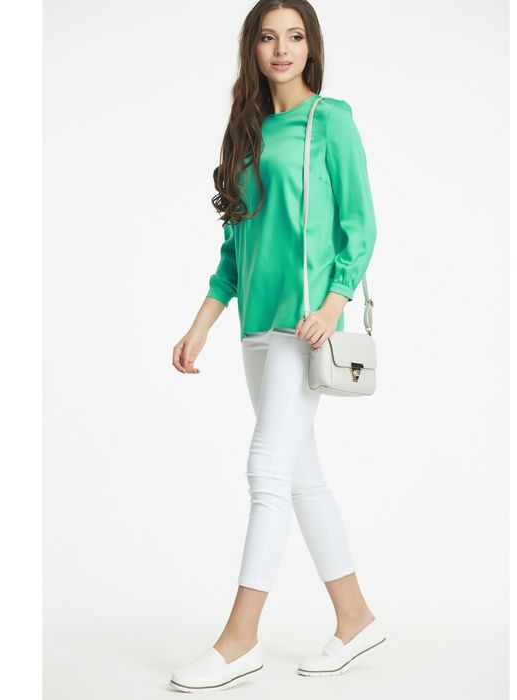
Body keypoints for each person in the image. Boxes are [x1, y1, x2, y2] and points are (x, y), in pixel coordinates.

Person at [170, 0, 384, 692]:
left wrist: (334, 303)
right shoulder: (248, 133)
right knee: (298, 474)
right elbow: (234, 251)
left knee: (266, 468)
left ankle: (240, 640)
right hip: (255, 330)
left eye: (294, 36)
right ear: (254, 49)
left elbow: (360, 226)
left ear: (310, 46)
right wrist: (202, 323)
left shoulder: (331, 121)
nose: (282, 48)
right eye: (268, 37)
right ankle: (356, 618)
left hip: (304, 329)